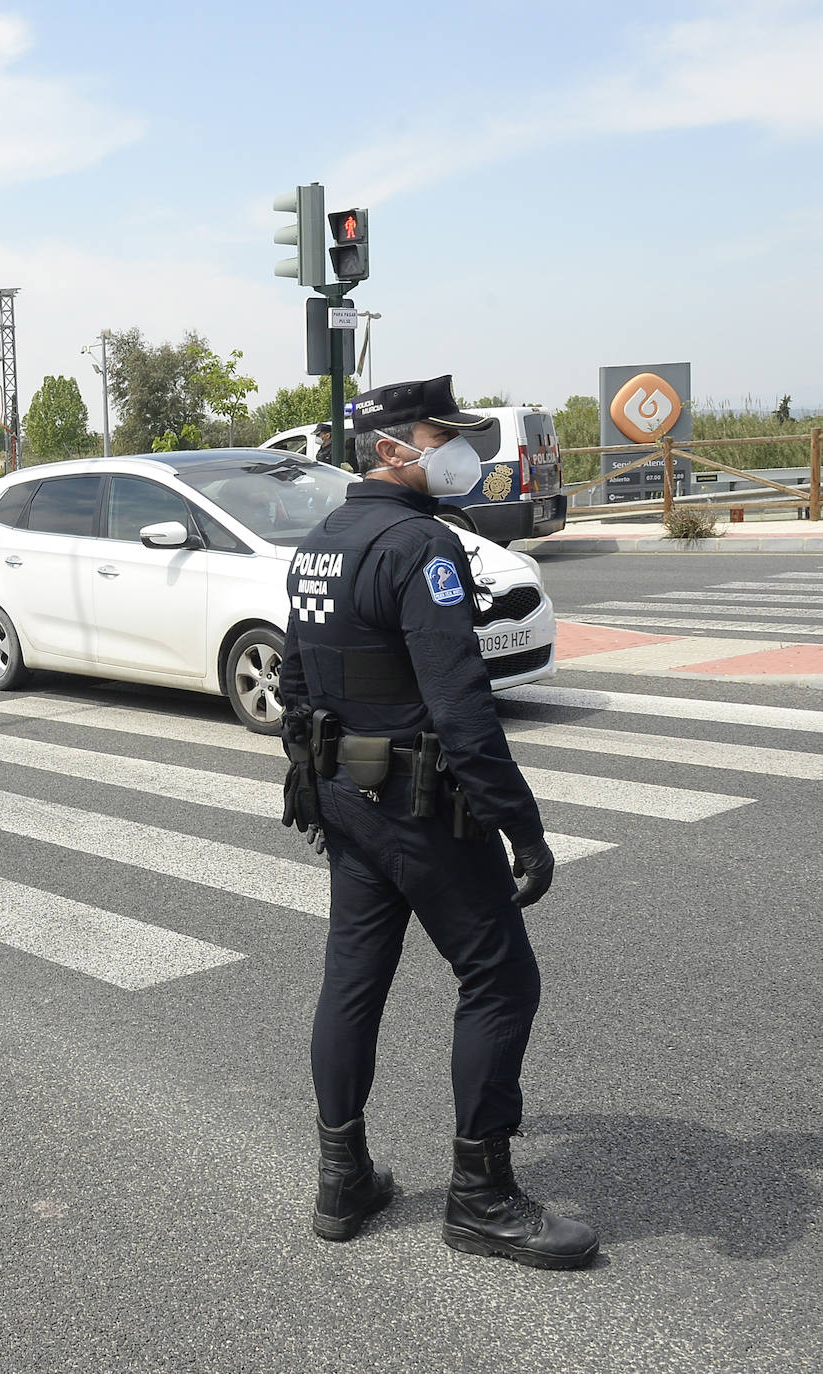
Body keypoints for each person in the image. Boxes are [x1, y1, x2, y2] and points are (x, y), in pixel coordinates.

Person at [279, 375, 598, 1270]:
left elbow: (297, 688)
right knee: (500, 978)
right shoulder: (422, 548)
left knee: (353, 981)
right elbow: (462, 713)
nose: (460, 449)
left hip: (346, 801)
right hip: (423, 809)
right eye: (439, 434)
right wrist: (523, 830)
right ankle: (482, 1199)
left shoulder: (318, 544)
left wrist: (317, 785)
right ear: (390, 449)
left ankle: (343, 1181)